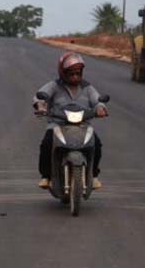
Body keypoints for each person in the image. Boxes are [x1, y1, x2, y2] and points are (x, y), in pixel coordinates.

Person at [33, 52, 107, 190]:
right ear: (63, 72)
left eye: (78, 73)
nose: (75, 77)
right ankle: (46, 176)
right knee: (47, 143)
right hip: (57, 125)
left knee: (96, 143)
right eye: (71, 74)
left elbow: (97, 100)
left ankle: (94, 176)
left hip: (83, 125)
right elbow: (40, 96)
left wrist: (100, 107)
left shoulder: (87, 87)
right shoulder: (54, 85)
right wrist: (40, 105)